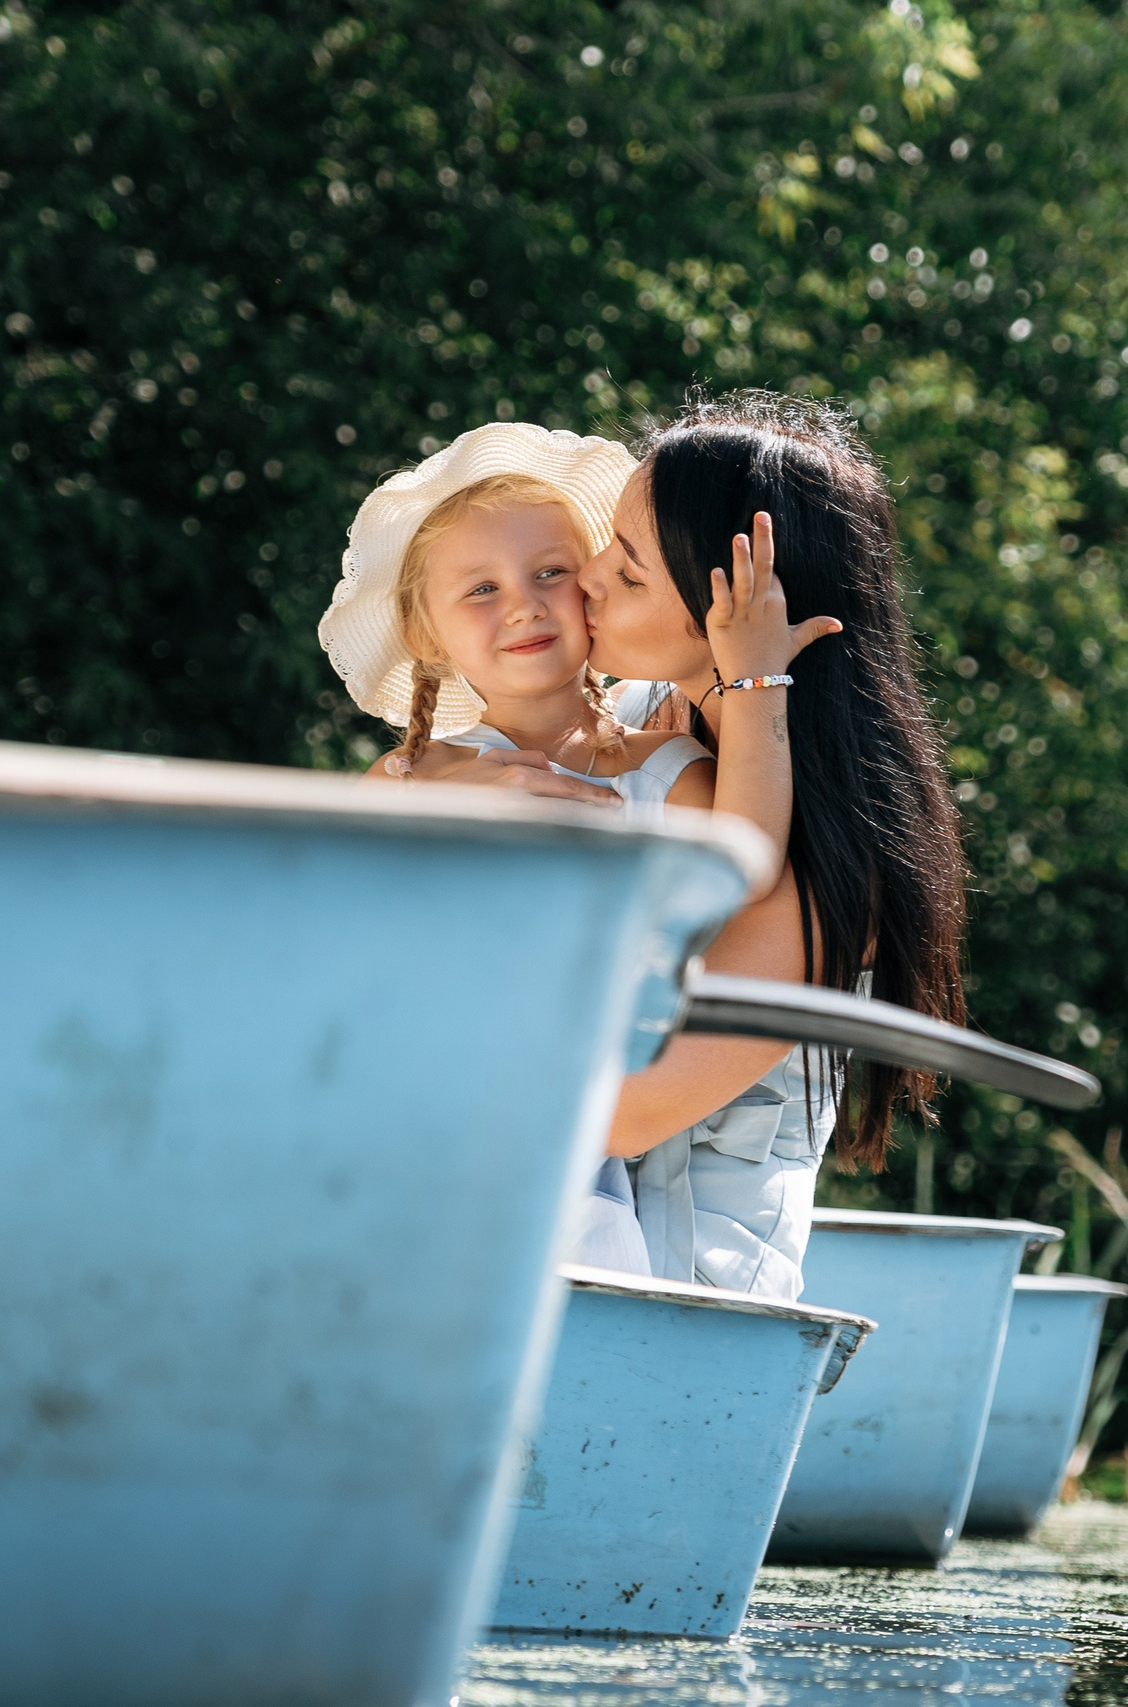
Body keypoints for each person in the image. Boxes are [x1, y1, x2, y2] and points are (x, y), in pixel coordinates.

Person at [315, 420, 834, 1271]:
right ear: (428, 634)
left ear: (589, 595)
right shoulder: (410, 774)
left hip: (563, 1151)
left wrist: (754, 681)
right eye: (479, 589)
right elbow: (330, 914)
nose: (522, 602)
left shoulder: (665, 768)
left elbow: (747, 863)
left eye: (550, 572)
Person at [582, 391, 969, 1300]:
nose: (586, 578)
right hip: (568, 1250)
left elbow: (629, 1113)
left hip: (681, 1305)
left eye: (630, 573)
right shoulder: (641, 728)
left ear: (736, 613)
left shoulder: (833, 863)